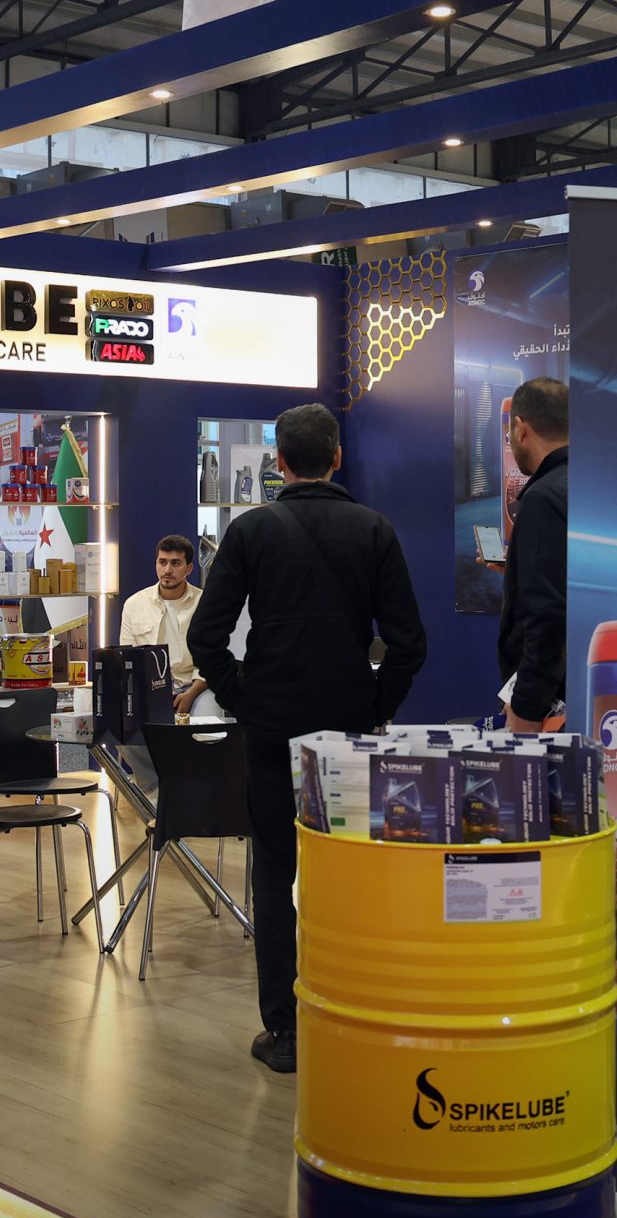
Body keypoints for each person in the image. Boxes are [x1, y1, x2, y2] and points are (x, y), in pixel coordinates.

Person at [190, 402, 427, 1075]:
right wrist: (375, 705)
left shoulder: (250, 531)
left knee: (274, 871)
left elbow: (206, 634)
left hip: (270, 726)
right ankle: (352, 1013)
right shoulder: (374, 530)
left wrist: (242, 695)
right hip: (347, 732)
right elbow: (409, 643)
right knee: (350, 871)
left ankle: (285, 1031)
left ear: (280, 462)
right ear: (338, 458)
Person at [498, 377, 571, 734]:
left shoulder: (542, 498)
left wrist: (526, 706)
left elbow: (548, 616)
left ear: (521, 428)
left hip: (552, 705)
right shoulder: (589, 484)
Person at [120, 533, 213, 719]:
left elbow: (211, 660)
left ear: (189, 568)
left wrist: (190, 694)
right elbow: (127, 657)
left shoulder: (205, 604)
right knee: (128, 726)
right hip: (147, 689)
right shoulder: (134, 604)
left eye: (175, 563)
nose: (167, 570)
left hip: (196, 687)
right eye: (162, 562)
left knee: (209, 726)